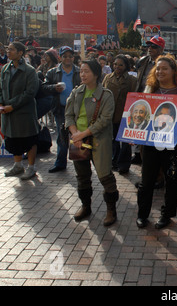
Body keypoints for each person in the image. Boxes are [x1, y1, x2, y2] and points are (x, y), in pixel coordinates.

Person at [64, 59, 119, 227]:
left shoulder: (106, 95)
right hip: (78, 141)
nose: (83, 74)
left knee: (105, 176)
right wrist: (75, 135)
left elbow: (104, 120)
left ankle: (111, 210)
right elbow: (68, 116)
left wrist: (83, 134)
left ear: (96, 74)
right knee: (82, 177)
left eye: (86, 71)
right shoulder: (76, 92)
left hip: (98, 141)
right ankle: (86, 206)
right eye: (81, 71)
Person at [136, 54, 177, 230]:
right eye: (157, 68)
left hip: (172, 144)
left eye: (164, 68)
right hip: (151, 143)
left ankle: (167, 215)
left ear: (174, 71)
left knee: (170, 180)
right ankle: (142, 215)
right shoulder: (149, 90)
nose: (160, 71)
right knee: (146, 180)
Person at [0, 42, 40, 180]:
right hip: (8, 113)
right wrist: (0, 103)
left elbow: (30, 93)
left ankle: (31, 167)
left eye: (12, 50)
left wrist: (12, 106)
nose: (8, 52)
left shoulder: (29, 70)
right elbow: (0, 88)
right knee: (13, 140)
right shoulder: (5, 69)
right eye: (8, 49)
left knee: (29, 140)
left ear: (20, 53)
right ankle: (18, 165)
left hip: (24, 113)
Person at [43, 46, 81, 173]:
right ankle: (60, 163)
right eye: (65, 56)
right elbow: (44, 87)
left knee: (77, 136)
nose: (68, 58)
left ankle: (80, 164)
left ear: (73, 58)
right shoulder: (52, 72)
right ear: (60, 58)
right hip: (60, 109)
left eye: (70, 56)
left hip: (77, 111)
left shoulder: (79, 72)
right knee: (62, 137)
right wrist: (54, 88)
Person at [102, 54, 137, 174]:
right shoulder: (107, 78)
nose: (117, 67)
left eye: (120, 65)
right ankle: (114, 161)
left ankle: (124, 164)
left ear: (126, 66)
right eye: (115, 64)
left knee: (126, 142)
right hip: (110, 114)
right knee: (113, 140)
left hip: (126, 115)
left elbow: (135, 98)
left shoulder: (132, 80)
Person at [133, 36, 166, 164]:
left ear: (161, 49)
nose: (150, 49)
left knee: (155, 141)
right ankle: (144, 167)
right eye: (149, 46)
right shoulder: (143, 61)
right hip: (142, 102)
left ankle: (157, 175)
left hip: (158, 105)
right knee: (142, 138)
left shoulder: (166, 63)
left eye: (154, 46)